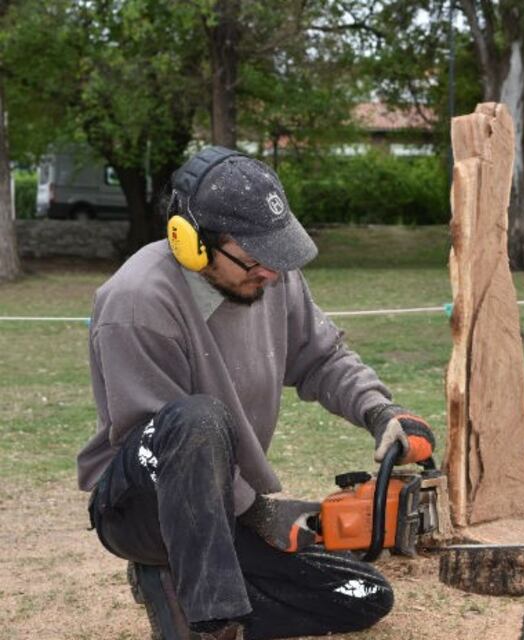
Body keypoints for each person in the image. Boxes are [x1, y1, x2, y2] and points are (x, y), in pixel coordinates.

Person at [76, 146, 436, 640]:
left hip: (224, 506)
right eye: (252, 259)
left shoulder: (271, 276)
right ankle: (211, 621)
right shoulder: (137, 302)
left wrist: (380, 410)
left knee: (363, 595)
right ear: (191, 242)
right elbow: (162, 439)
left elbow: (322, 358)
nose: (269, 272)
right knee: (194, 420)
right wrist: (257, 511)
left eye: (275, 257)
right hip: (142, 506)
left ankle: (179, 582)